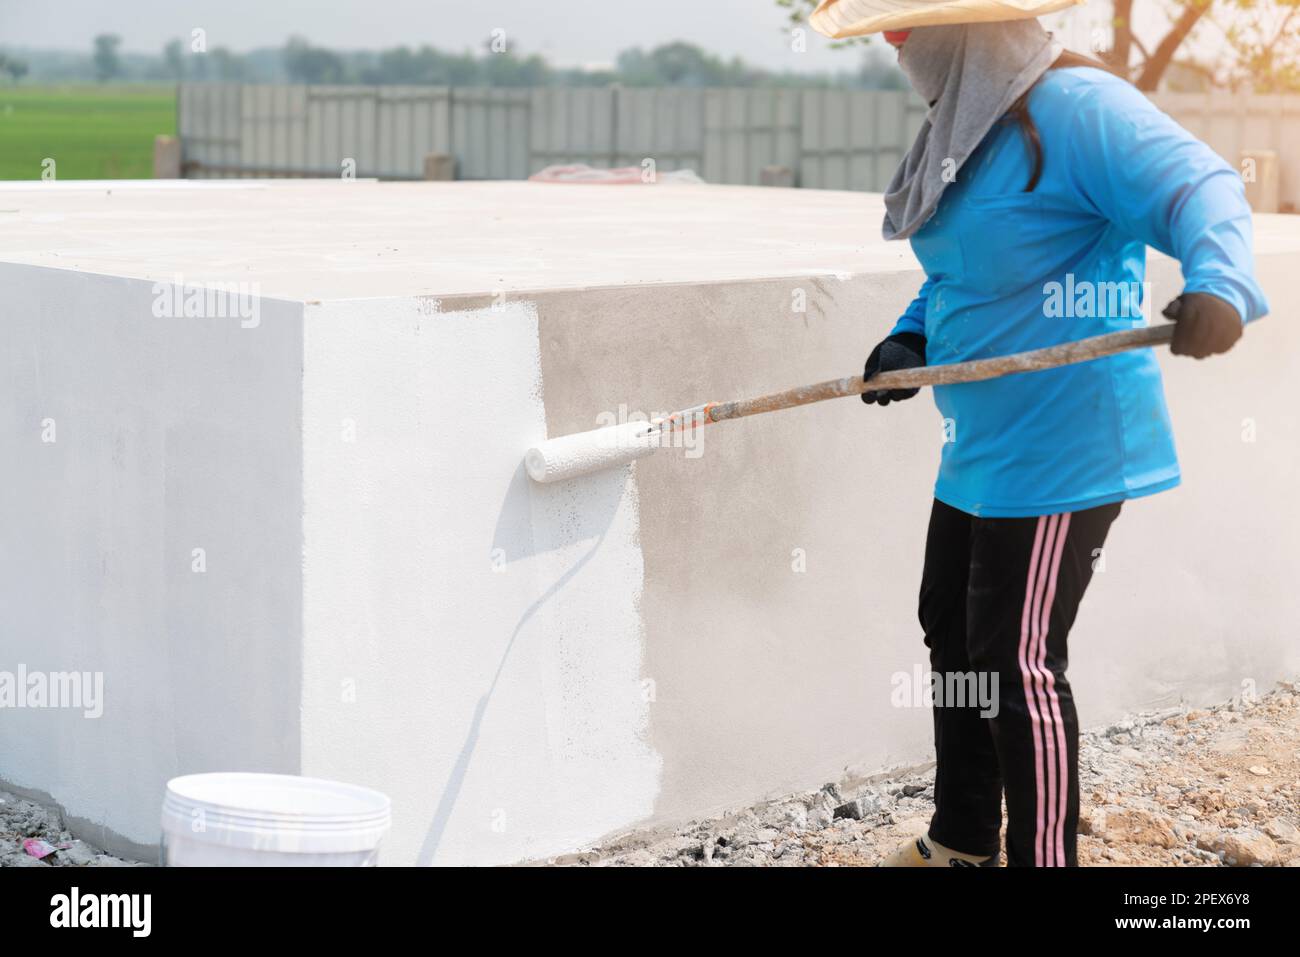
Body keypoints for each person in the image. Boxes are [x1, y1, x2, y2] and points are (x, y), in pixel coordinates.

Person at [850, 19, 1270, 866]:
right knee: (950, 627)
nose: (899, 51)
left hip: (1066, 445)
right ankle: (964, 837)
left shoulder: (1076, 107)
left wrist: (1219, 283)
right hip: (980, 440)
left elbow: (1204, 186)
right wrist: (912, 338)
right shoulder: (969, 126)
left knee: (1016, 660)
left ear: (966, 30)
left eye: (909, 32)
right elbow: (965, 272)